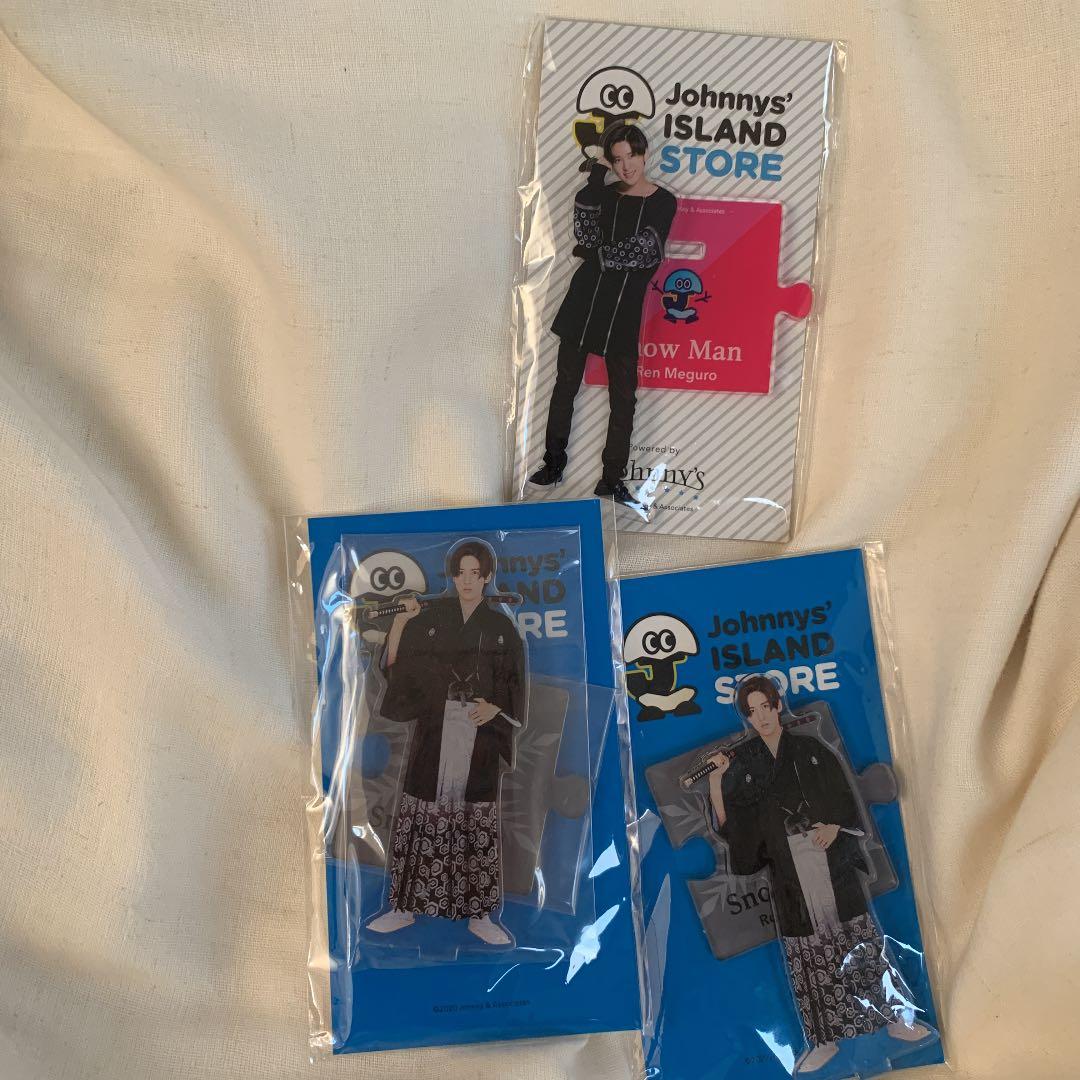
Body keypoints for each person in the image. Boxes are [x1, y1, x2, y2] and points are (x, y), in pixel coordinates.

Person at [707, 676, 930, 1074]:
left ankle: (898, 1020)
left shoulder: (812, 750)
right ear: (747, 718)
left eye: (765, 706)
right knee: (808, 955)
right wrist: (715, 780)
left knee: (860, 940)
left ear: (778, 705)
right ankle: (824, 1039)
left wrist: (834, 827)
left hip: (829, 857)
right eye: (752, 712)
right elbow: (735, 829)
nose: (761, 717)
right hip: (789, 872)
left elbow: (845, 802)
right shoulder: (745, 766)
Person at [366, 540, 525, 946]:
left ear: (487, 577)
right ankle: (403, 907)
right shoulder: (432, 619)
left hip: (480, 734)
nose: (467, 581)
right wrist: (401, 622)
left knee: (475, 820)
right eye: (461, 573)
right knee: (422, 814)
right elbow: (398, 669)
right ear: (452, 576)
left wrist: (495, 707)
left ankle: (480, 915)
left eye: (475, 574)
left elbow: (513, 682)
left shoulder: (501, 628)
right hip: (436, 732)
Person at [529, 123, 677, 507]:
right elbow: (586, 235)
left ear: (644, 154)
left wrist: (598, 257)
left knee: (623, 400)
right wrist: (596, 177)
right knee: (565, 387)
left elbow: (646, 249)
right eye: (616, 159)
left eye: (632, 155)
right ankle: (553, 464)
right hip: (585, 301)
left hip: (623, 309)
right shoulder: (603, 195)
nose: (626, 166)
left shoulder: (664, 201)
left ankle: (612, 480)